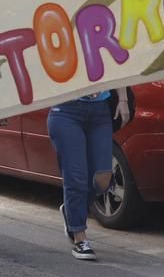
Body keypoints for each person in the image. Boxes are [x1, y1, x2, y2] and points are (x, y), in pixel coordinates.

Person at [47, 90, 124, 261]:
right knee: (76, 178)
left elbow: (117, 64)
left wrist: (123, 99)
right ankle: (80, 237)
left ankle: (71, 210)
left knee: (103, 180)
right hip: (66, 110)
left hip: (100, 111)